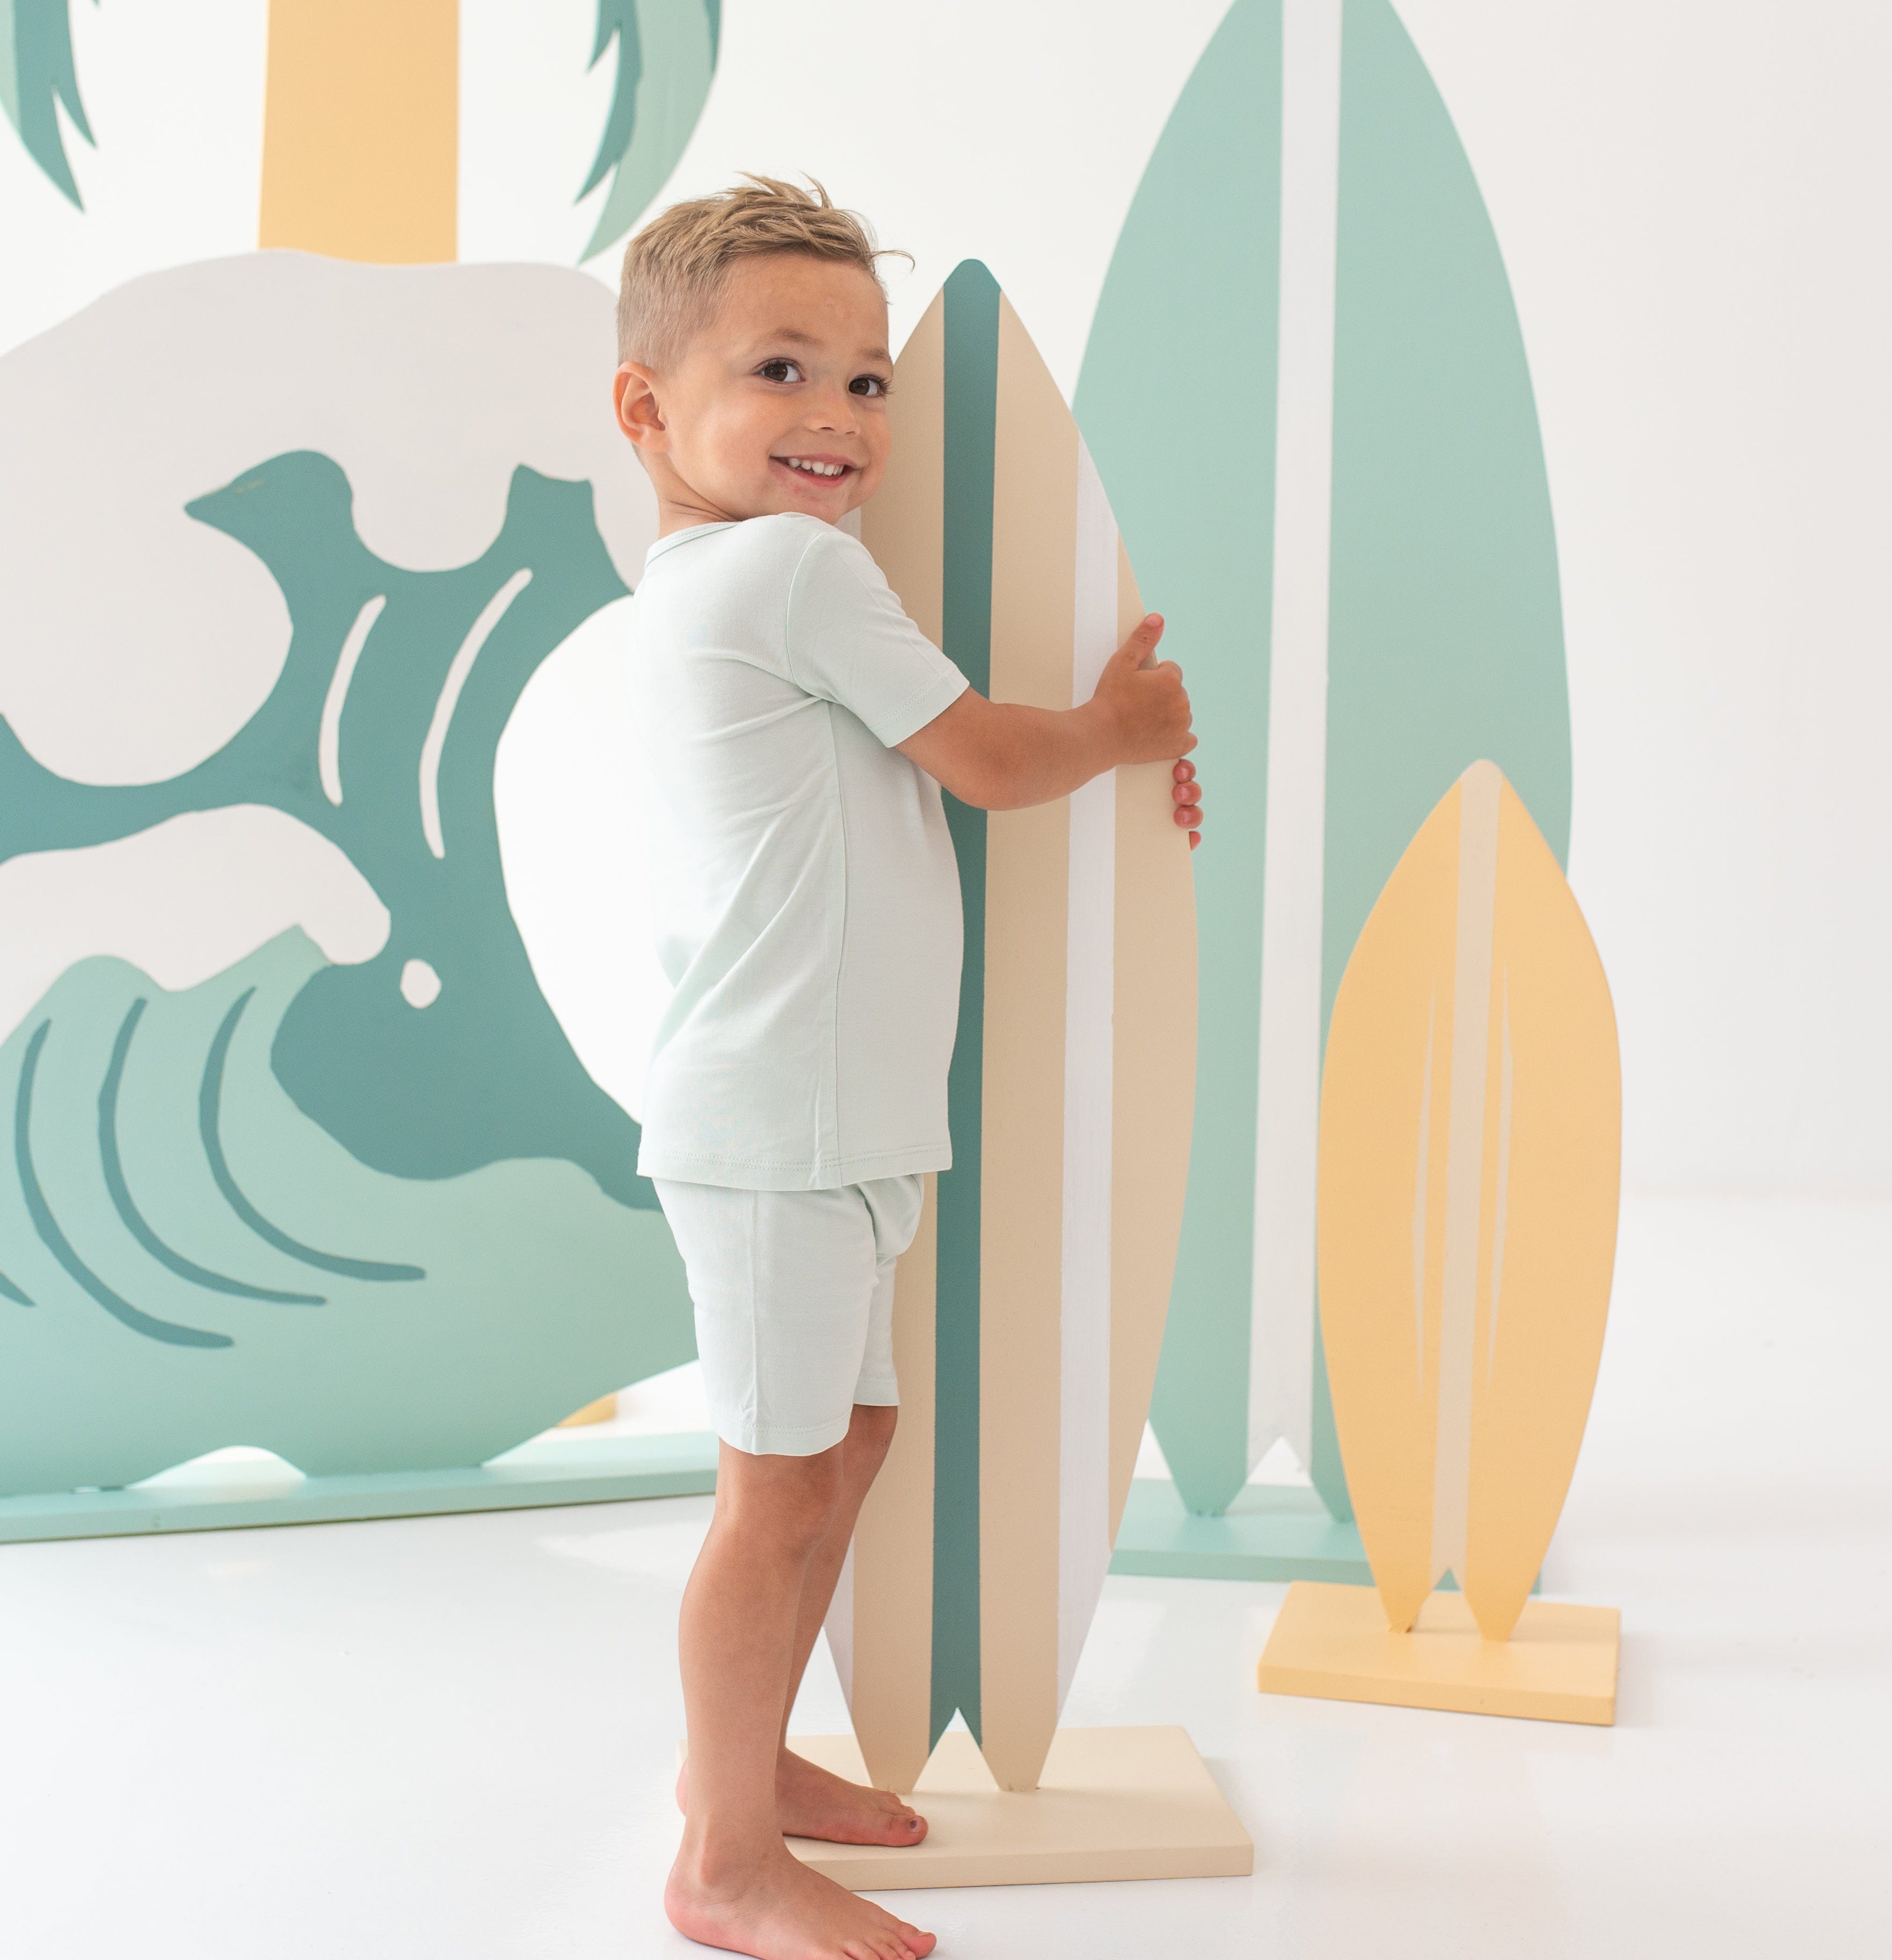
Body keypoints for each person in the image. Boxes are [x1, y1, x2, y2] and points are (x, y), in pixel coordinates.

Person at [613, 176, 1203, 1960]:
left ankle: (755, 1770)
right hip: (783, 1116)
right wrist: (1125, 726)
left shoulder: (735, 573)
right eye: (779, 370)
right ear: (646, 407)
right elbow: (987, 760)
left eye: (866, 382)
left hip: (832, 1111)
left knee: (848, 1436)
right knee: (774, 1478)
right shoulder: (792, 570)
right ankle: (721, 1855)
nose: (835, 417)